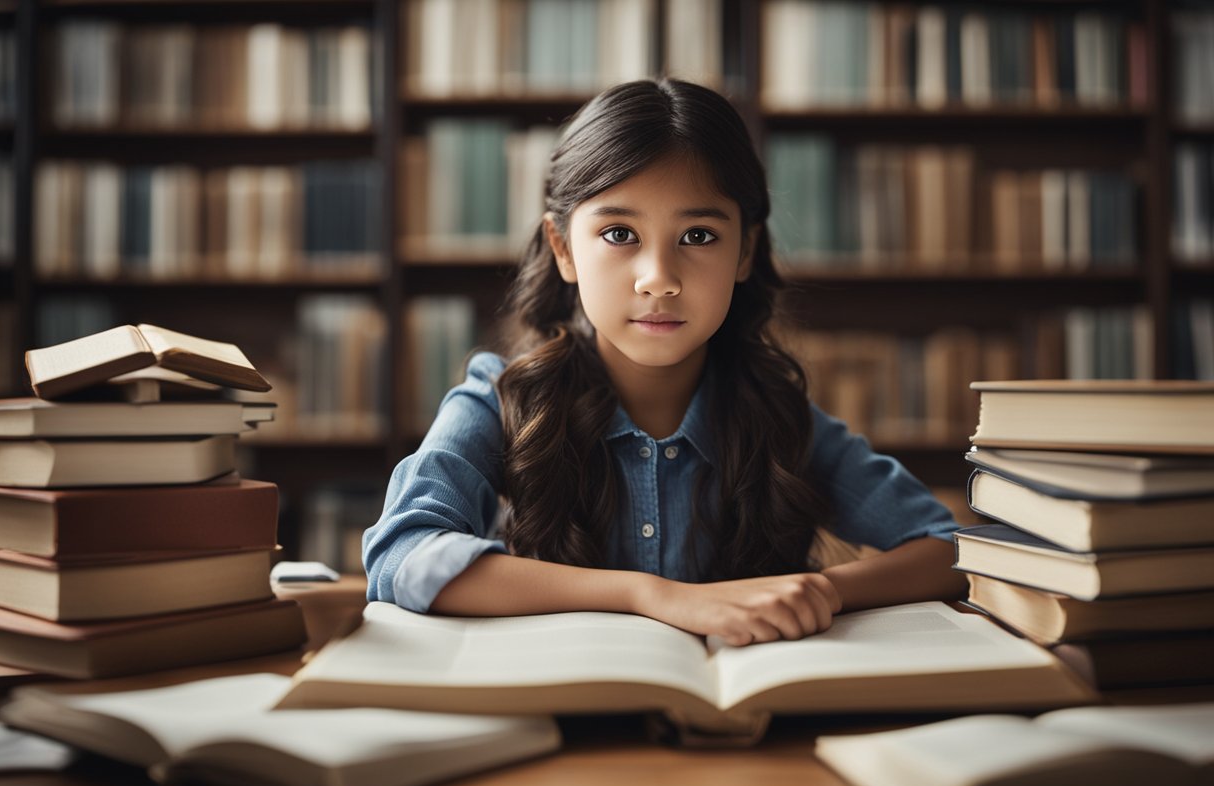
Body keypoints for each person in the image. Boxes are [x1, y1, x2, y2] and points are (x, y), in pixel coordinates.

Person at [364, 78, 966, 647]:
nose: (659, 279)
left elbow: (949, 547)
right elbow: (403, 554)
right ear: (563, 248)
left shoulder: (777, 415)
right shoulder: (498, 402)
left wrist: (808, 592)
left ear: (745, 251)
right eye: (620, 234)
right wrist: (653, 597)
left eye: (698, 236)